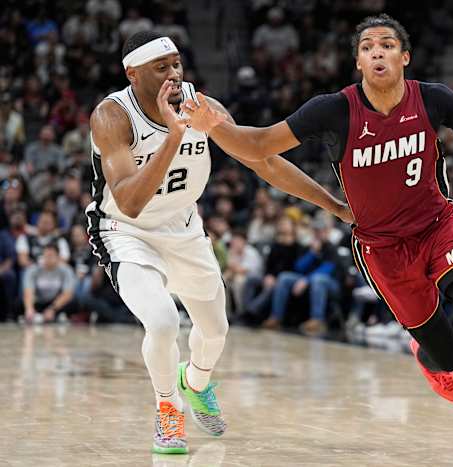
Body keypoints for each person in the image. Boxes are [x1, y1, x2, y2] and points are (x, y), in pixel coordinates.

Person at [184, 14, 453, 464]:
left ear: (404, 57)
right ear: (358, 61)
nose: (378, 51)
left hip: (439, 227)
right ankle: (428, 352)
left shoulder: (434, 100)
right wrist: (212, 125)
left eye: (388, 44)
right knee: (446, 357)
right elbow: (259, 147)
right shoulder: (332, 110)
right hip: (383, 249)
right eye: (369, 46)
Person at [87, 31, 352, 454]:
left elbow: (262, 160)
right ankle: (167, 410)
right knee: (161, 321)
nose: (174, 74)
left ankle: (194, 383)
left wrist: (332, 204)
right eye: (162, 68)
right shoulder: (112, 116)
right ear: (133, 74)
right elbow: (131, 202)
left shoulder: (202, 107)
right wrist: (174, 136)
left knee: (215, 330)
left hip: (185, 227)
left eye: (177, 64)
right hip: (126, 232)